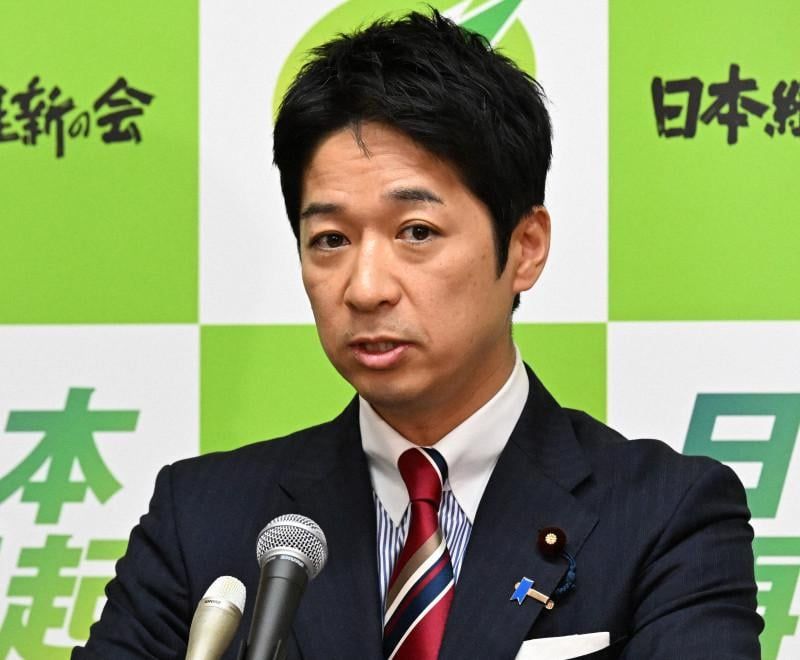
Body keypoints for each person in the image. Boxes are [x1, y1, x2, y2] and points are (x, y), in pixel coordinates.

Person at [74, 11, 762, 659]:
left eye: (417, 232)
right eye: (330, 239)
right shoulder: (203, 520)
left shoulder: (664, 517)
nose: (365, 287)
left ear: (525, 247)